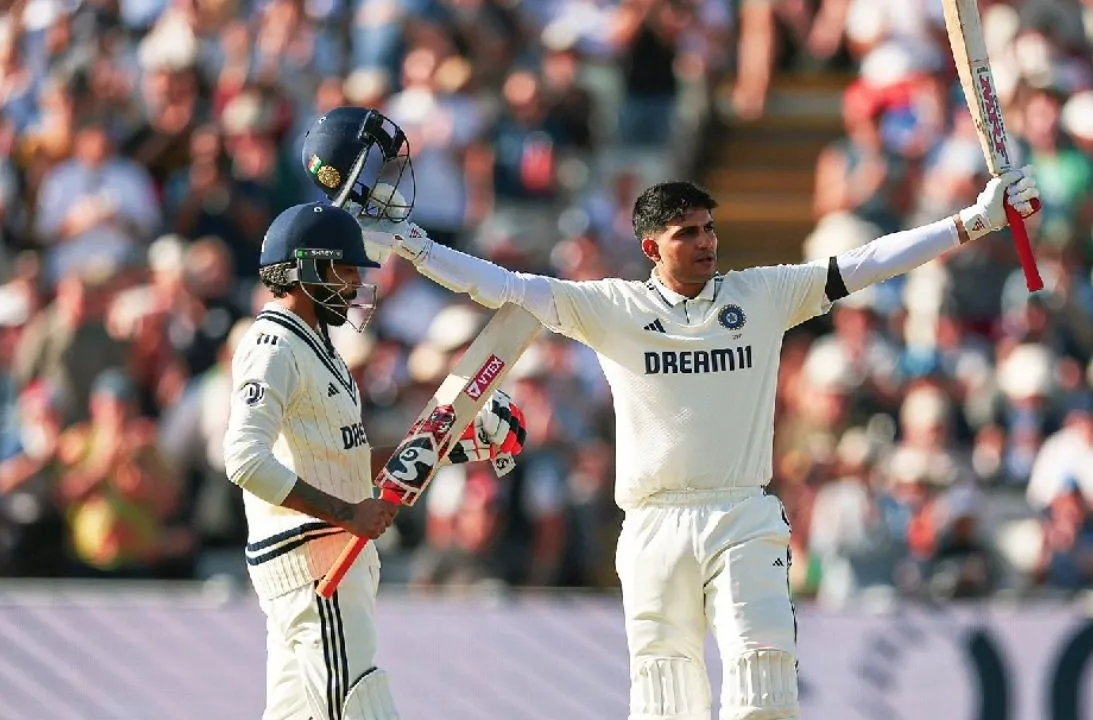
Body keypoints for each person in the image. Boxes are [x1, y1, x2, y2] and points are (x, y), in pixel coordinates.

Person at [346, 137, 1040, 717]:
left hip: (742, 511)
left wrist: (971, 223)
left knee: (763, 690)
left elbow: (864, 265)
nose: (707, 242)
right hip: (652, 523)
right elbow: (503, 288)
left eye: (710, 228)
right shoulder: (611, 308)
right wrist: (414, 246)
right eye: (689, 233)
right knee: (664, 700)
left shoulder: (761, 294)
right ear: (653, 246)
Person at [221, 200, 527, 720]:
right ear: (309, 268)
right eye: (344, 269)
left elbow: (345, 460)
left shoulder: (319, 346)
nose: (355, 283)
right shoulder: (273, 344)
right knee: (359, 707)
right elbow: (244, 460)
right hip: (318, 564)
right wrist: (345, 513)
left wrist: (454, 444)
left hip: (322, 561)